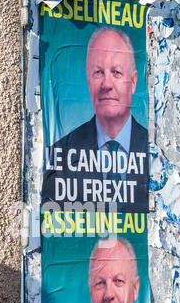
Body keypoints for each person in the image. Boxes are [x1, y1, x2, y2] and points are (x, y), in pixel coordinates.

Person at [42, 28, 148, 212]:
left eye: (116, 72)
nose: (106, 84)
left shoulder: (154, 153)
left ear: (133, 82)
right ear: (88, 79)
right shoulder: (60, 155)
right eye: (98, 72)